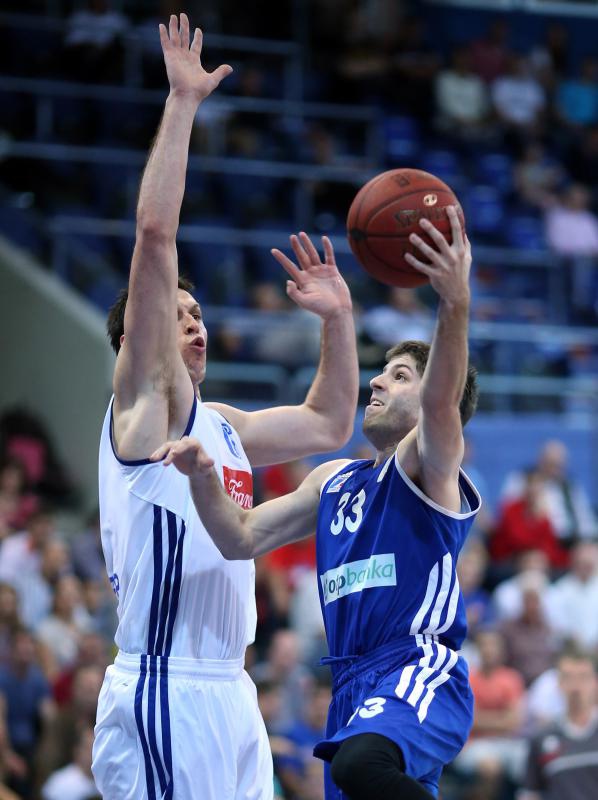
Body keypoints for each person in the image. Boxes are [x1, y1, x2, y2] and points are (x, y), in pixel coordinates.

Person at [92, 13, 359, 800]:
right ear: (137, 344)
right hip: (163, 687)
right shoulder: (144, 409)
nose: (196, 323)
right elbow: (153, 233)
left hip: (230, 689)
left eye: (200, 313)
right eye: (178, 316)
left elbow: (329, 424)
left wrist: (339, 323)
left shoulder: (224, 425)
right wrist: (182, 105)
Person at [152, 206, 481, 799]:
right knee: (362, 775)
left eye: (400, 376)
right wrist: (203, 476)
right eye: (384, 372)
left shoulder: (430, 470)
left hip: (416, 669)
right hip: (351, 685)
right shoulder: (333, 480)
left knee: (360, 767)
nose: (378, 383)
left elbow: (439, 406)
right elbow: (241, 537)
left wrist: (453, 302)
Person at [519, 645, 598, 800]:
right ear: (559, 684)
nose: (576, 686)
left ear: (595, 683)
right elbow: (530, 794)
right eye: (568, 677)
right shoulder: (541, 738)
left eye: (583, 677)